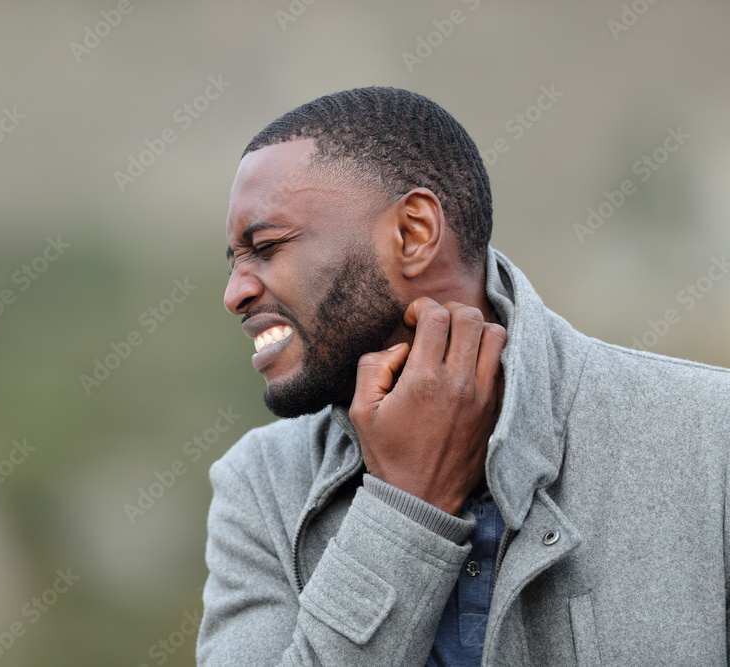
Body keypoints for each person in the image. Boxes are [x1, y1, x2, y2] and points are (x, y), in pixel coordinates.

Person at [197, 86, 730, 666]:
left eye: (267, 247)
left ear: (413, 233)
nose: (235, 294)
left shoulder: (711, 438)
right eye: (234, 261)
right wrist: (405, 508)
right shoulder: (259, 487)